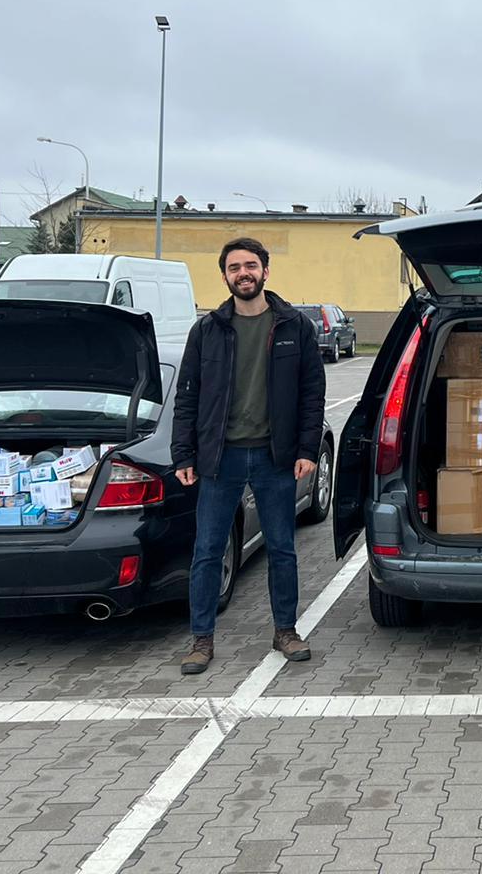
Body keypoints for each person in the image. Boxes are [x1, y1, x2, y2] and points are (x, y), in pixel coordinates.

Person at [172, 237, 326, 675]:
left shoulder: (294, 326)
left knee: (282, 549)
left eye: (251, 265)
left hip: (275, 457)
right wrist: (184, 453)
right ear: (224, 275)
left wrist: (307, 449)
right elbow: (188, 395)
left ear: (265, 271)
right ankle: (201, 639)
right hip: (220, 459)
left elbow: (313, 394)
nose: (244, 273)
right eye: (235, 266)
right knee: (207, 550)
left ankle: (285, 631)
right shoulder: (207, 331)